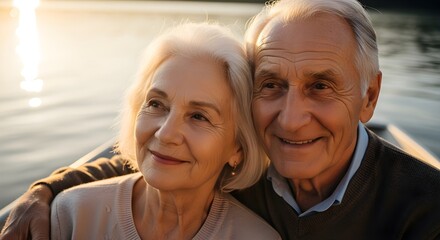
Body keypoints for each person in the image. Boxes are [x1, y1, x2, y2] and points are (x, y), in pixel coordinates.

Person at [1, 0, 440, 239]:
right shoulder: (244, 170)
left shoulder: (425, 208)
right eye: (271, 85)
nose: (289, 120)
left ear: (370, 97)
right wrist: (44, 191)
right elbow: (150, 158)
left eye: (320, 86)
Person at [15, 22, 282, 240]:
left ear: (237, 147)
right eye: (156, 104)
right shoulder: (71, 216)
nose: (165, 134)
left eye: (199, 116)